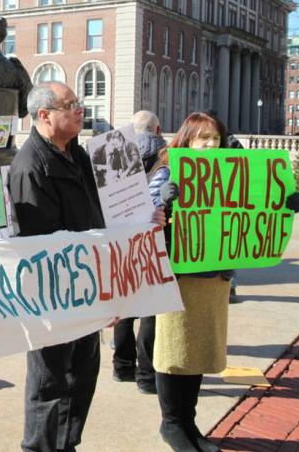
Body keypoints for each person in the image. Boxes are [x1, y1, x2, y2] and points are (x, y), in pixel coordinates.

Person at [9, 83, 164, 452]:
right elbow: (43, 250)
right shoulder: (31, 167)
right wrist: (94, 292)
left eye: (79, 103)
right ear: (45, 116)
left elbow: (110, 215)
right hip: (57, 301)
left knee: (81, 379)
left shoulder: (80, 156)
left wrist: (146, 218)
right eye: (71, 105)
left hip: (90, 292)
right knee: (52, 388)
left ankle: (66, 444)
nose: (81, 110)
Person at [148, 111, 299, 452]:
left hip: (214, 278)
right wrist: (160, 203)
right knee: (175, 352)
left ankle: (188, 422)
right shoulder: (167, 171)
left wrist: (285, 203)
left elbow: (253, 204)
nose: (210, 144)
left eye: (215, 138)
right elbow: (140, 219)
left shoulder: (232, 173)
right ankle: (172, 423)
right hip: (179, 278)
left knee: (199, 350)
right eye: (202, 137)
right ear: (187, 139)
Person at [112, 110, 167, 394]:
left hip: (122, 240)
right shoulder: (167, 160)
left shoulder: (116, 156)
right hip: (155, 240)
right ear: (157, 130)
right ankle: (146, 377)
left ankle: (122, 367)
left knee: (124, 306)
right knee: (150, 312)